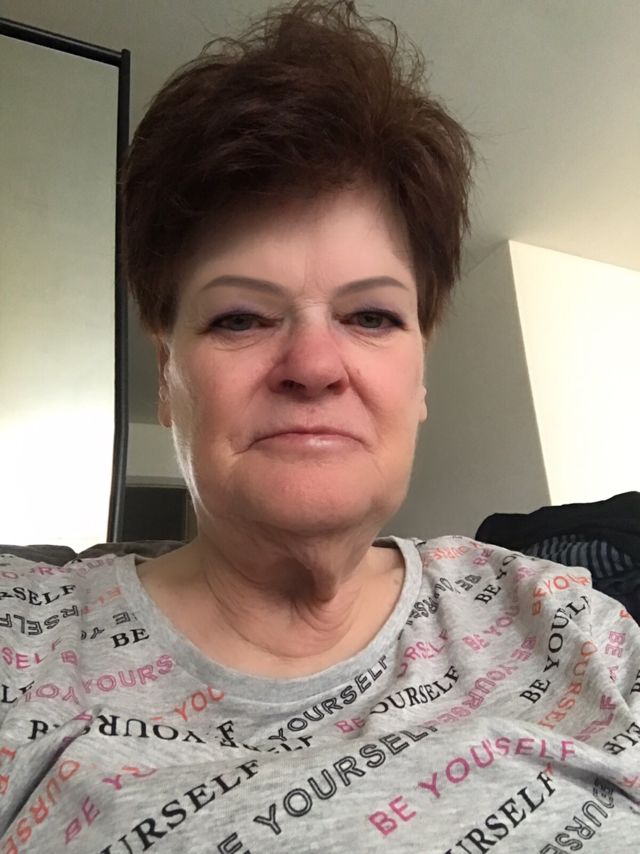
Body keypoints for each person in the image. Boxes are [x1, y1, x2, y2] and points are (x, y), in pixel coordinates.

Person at [1, 2, 639, 851]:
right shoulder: (20, 638)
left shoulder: (570, 622)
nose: (313, 363)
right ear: (166, 377)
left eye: (371, 317)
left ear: (419, 375)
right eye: (239, 317)